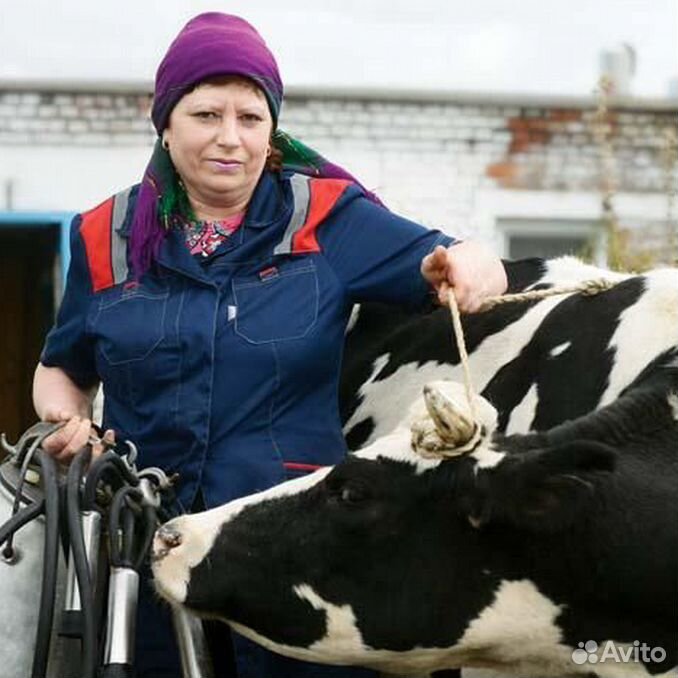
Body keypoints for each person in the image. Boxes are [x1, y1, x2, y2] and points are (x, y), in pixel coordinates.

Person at [33, 12, 507, 678]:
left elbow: (453, 260)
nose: (230, 139)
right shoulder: (103, 237)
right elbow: (61, 366)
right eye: (206, 115)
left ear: (271, 127)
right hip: (145, 552)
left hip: (297, 564)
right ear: (163, 121)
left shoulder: (328, 219)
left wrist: (475, 262)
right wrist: (66, 419)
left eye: (251, 118)